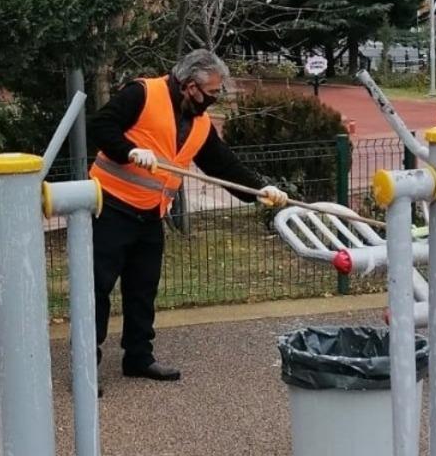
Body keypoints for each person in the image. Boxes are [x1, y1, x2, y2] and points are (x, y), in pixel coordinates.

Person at [88, 49, 287, 383]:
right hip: (110, 208)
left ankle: (138, 358)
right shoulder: (142, 93)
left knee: (143, 290)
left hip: (151, 215)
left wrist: (259, 190)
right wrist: (129, 151)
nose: (213, 99)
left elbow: (222, 165)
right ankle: (85, 367)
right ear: (190, 86)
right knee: (96, 289)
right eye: (211, 92)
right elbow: (100, 125)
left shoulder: (200, 124)